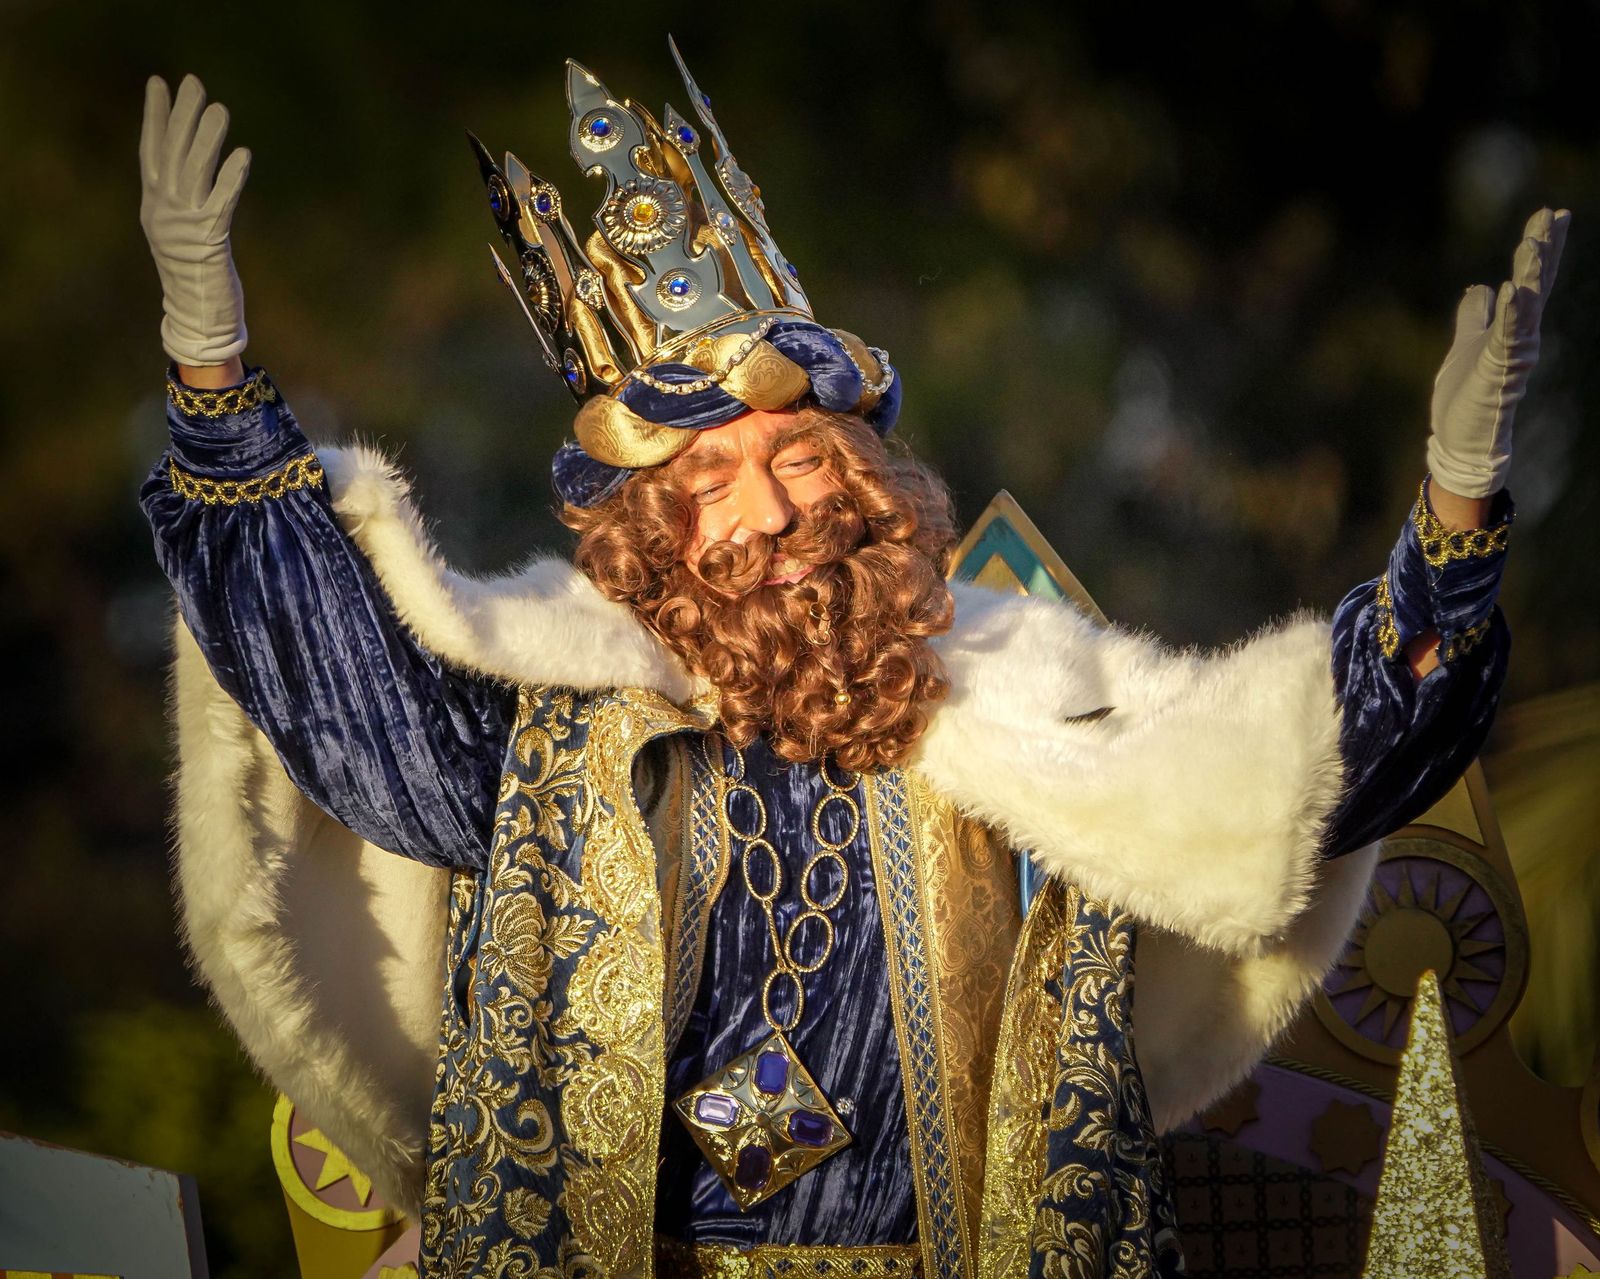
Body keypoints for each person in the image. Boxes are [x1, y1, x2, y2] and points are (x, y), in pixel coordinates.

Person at [137, 48, 1564, 1279]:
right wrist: (215, 374)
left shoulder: (1030, 699)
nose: (769, 518)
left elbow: (1297, 780)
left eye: (800, 462)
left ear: (869, 481)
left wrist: (1450, 514)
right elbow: (350, 713)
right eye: (709, 488)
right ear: (645, 536)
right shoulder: (563, 727)